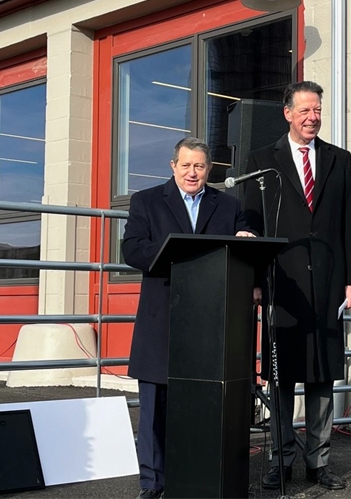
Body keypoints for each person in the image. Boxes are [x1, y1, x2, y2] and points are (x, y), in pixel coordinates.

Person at [122, 136, 255, 499]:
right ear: (173, 166)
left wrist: (247, 236)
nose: (192, 172)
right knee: (153, 409)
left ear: (209, 169)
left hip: (210, 321)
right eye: (186, 165)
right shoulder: (146, 201)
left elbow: (245, 238)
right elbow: (132, 248)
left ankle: (199, 476)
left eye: (199, 166)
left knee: (204, 404)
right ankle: (153, 483)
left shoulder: (227, 205)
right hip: (160, 316)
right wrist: (177, 253)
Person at [243, 81, 351, 491]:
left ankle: (318, 463)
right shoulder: (262, 162)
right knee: (281, 377)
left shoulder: (338, 160)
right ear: (288, 114)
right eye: (305, 110)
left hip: (328, 283)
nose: (313, 117)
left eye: (318, 110)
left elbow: (347, 222)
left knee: (322, 377)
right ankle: (280, 460)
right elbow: (250, 226)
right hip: (282, 284)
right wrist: (256, 281)